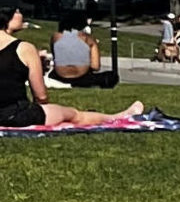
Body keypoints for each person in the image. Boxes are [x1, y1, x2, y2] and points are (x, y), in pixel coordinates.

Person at [0, 10, 146, 129]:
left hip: (57, 77)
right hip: (14, 114)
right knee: (73, 115)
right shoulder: (24, 48)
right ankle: (117, 117)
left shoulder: (56, 37)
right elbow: (41, 96)